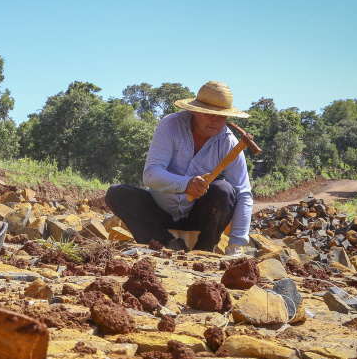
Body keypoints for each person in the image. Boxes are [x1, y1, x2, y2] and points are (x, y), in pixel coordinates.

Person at [105, 80, 253, 255]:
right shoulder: (170, 126)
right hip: (159, 212)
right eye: (210, 115)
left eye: (222, 117)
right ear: (195, 110)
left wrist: (236, 245)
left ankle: (203, 251)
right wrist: (186, 184)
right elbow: (151, 174)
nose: (216, 122)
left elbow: (243, 193)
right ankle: (165, 244)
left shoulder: (229, 143)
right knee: (117, 193)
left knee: (224, 190)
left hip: (198, 216)